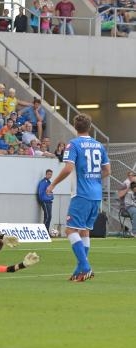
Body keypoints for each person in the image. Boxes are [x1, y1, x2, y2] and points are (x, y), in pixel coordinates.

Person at [46, 114, 110, 282]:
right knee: (84, 231)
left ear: (75, 127)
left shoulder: (73, 144)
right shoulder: (98, 145)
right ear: (89, 127)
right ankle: (79, 271)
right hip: (96, 194)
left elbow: (68, 168)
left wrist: (53, 185)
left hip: (81, 194)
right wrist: (94, 180)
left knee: (70, 230)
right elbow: (107, 171)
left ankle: (86, 267)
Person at [37, 169, 54, 234]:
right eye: (49, 174)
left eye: (51, 174)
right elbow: (40, 192)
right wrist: (43, 200)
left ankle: (46, 231)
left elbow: (50, 192)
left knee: (49, 216)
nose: (50, 176)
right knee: (47, 216)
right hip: (45, 201)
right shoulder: (43, 182)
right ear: (46, 174)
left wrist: (51, 197)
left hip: (49, 201)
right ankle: (44, 231)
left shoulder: (49, 182)